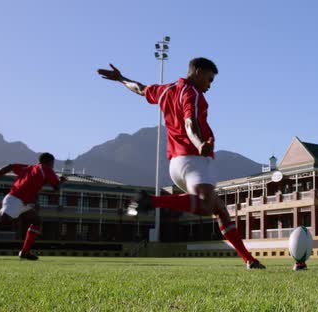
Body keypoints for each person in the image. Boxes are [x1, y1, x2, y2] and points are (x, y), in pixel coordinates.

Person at [97, 58, 265, 269]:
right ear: (198, 72)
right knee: (206, 205)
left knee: (220, 210)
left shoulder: (165, 90)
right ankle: (152, 201)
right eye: (209, 79)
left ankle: (249, 260)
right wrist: (199, 142)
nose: (210, 86)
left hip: (176, 165)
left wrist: (120, 78)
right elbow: (189, 122)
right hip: (194, 159)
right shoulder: (192, 93)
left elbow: (140, 89)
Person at [0, 153, 66, 260]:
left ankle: (25, 252)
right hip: (16, 200)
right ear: (50, 162)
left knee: (37, 221)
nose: (53, 166)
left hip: (22, 202)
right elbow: (56, 188)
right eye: (53, 163)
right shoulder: (47, 169)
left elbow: (9, 166)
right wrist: (62, 180)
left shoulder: (29, 168)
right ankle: (24, 252)